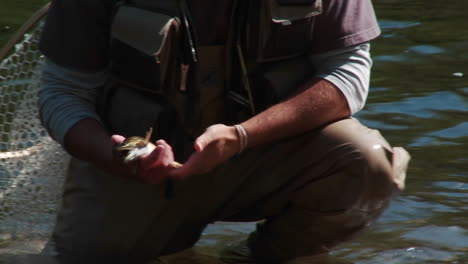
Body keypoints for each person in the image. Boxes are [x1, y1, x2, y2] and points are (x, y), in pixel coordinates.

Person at [37, 0, 410, 263]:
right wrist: (113, 155)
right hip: (140, 170)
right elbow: (62, 92)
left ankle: (255, 258)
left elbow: (349, 74)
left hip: (267, 152)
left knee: (369, 164)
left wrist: (242, 135)